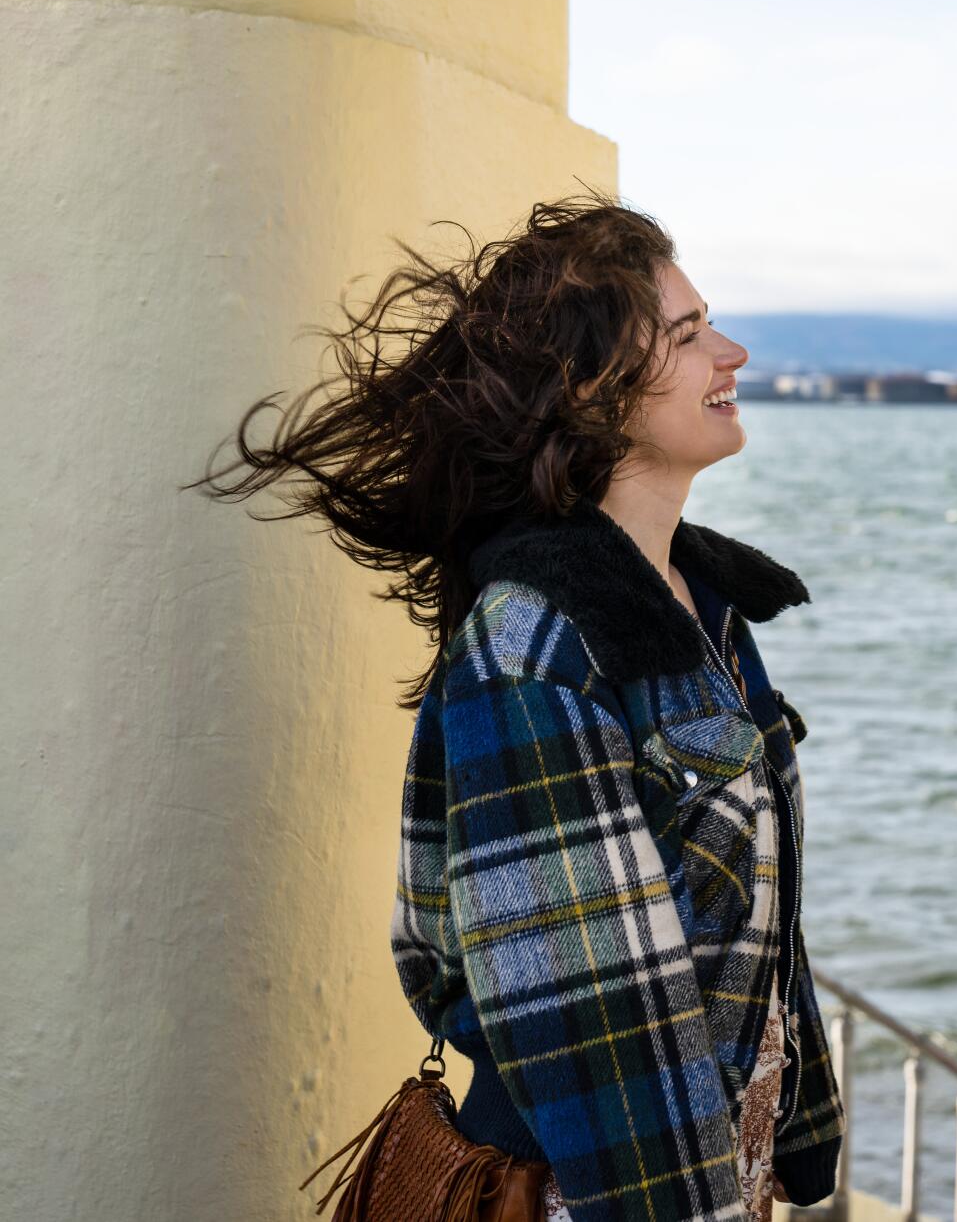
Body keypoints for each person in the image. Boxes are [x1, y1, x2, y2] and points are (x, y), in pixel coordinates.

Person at [200, 200, 844, 1221]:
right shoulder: (534, 644)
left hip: (721, 1176)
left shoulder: (705, 604)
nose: (732, 351)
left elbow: (760, 932)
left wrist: (798, 1138)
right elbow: (599, 1031)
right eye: (686, 336)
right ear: (590, 392)